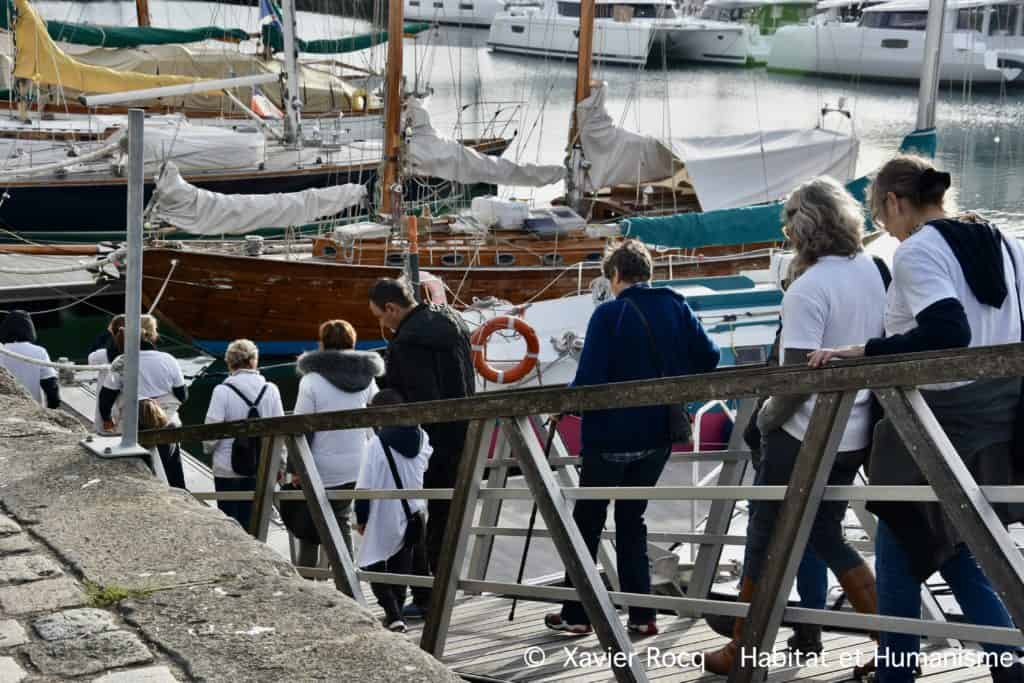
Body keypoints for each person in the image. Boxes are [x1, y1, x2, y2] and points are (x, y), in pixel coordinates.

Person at [808, 156, 1024, 683]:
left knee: (906, 534)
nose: (885, 227)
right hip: (999, 415)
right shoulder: (1004, 242)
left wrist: (867, 350)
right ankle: (1002, 663)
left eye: (881, 214)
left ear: (893, 202)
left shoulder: (918, 249)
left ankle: (901, 671)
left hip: (938, 420)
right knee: (945, 544)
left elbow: (948, 330)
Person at [701, 177, 887, 674]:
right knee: (824, 531)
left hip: (803, 434)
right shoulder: (871, 269)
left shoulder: (808, 289)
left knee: (763, 533)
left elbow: (795, 380)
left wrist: (764, 422)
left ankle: (743, 647)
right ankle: (890, 640)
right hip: (855, 431)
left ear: (800, 230)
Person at [544, 239, 720, 637]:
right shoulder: (676, 305)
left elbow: (589, 380)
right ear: (648, 273)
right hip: (658, 434)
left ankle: (577, 613)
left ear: (616, 275)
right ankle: (642, 615)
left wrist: (562, 406)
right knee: (631, 518)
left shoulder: (609, 314)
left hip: (610, 437)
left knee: (588, 521)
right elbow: (709, 358)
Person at [368, 277, 474, 617]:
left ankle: (429, 597)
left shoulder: (407, 342)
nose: (382, 324)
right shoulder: (454, 321)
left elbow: (418, 396)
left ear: (391, 308)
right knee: (445, 515)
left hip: (427, 441)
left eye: (380, 317)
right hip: (463, 432)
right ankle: (443, 589)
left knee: (413, 513)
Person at [291, 319, 382, 562]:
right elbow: (377, 415)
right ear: (352, 342)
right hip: (356, 465)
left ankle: (307, 578)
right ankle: (346, 576)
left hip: (320, 467)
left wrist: (295, 468)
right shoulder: (367, 379)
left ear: (322, 343)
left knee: (310, 528)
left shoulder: (311, 381)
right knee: (342, 520)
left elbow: (300, 427)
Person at [354, 389, 432, 633]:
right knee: (401, 561)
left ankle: (394, 614)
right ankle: (398, 611)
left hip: (384, 512)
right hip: (415, 510)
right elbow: (424, 465)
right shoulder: (423, 436)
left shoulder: (375, 444)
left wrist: (362, 518)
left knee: (372, 562)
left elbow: (364, 486)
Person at [99, 315, 189, 489]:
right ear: (152, 335)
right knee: (172, 465)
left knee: (138, 471)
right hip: (165, 421)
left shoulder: (121, 361)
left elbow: (106, 398)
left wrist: (107, 420)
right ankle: (180, 492)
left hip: (133, 424)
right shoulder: (168, 359)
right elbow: (182, 395)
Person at [203, 339, 284, 529]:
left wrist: (208, 449)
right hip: (260, 465)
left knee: (229, 521)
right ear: (254, 360)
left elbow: (211, 432)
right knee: (254, 520)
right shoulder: (271, 390)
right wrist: (280, 464)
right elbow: (281, 430)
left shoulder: (222, 391)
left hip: (226, 467)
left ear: (229, 362)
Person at [0, 310, 60, 408]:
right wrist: (51, 411)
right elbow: (51, 388)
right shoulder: (39, 352)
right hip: (32, 411)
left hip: (5, 411)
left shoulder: (2, 351)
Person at [87, 315, 125, 432]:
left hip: (106, 405)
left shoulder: (102, 355)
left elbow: (90, 359)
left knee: (105, 435)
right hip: (128, 406)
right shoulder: (139, 354)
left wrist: (108, 334)